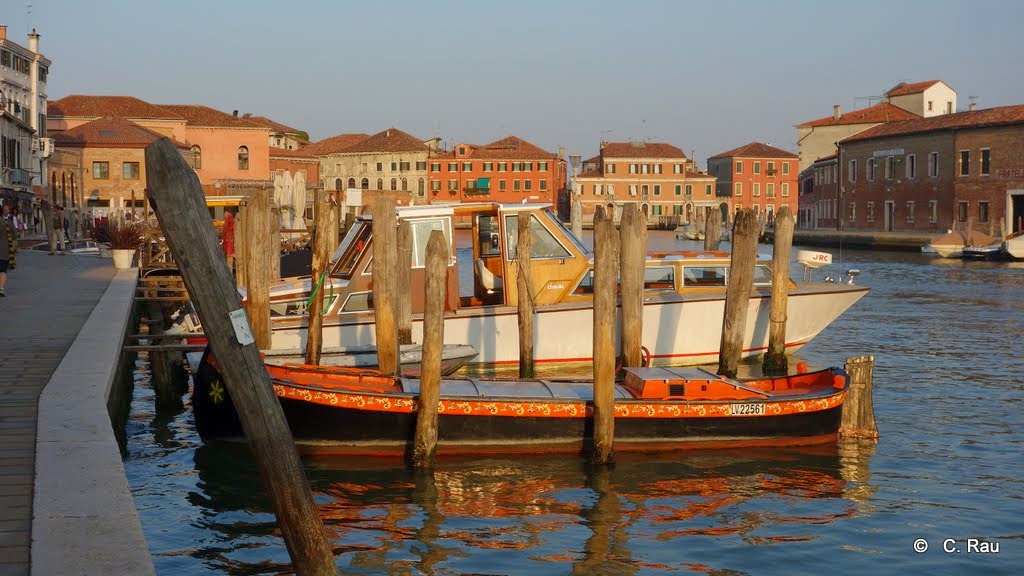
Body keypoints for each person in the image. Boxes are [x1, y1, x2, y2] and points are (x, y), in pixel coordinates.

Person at [0, 204, 17, 297]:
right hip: (4, 251)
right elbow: (15, 235)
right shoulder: (8, 222)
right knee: (2, 271)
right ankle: (1, 289)